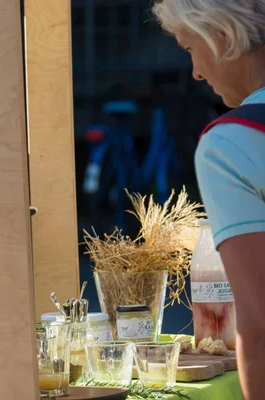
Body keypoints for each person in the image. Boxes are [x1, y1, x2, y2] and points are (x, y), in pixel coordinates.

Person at [153, 1, 265, 398]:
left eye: (188, 47)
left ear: (222, 34)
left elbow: (257, 323)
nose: (196, 71)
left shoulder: (231, 142)